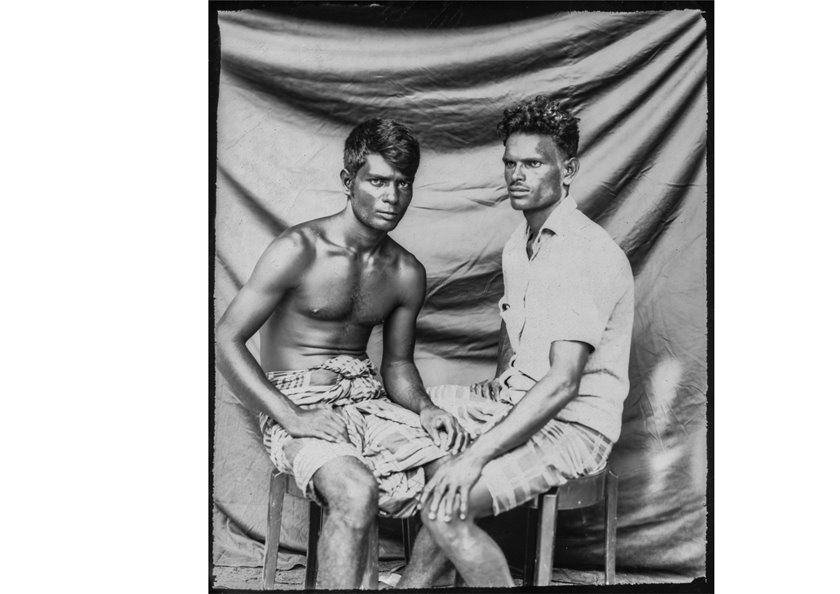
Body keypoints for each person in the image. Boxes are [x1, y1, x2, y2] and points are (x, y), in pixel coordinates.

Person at [214, 118, 468, 590]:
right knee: (355, 490)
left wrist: (426, 407)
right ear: (348, 181)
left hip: (368, 400)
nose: (392, 197)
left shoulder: (406, 271)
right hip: (300, 401)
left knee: (461, 475)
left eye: (403, 183)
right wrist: (291, 416)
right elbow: (225, 339)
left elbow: (397, 365)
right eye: (378, 181)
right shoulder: (300, 248)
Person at [397, 96, 635, 587]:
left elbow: (563, 382)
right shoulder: (519, 243)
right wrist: (502, 379)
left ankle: (417, 582)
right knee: (403, 414)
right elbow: (514, 324)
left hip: (573, 427)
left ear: (567, 170)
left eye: (533, 164)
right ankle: (420, 581)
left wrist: (474, 456)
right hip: (516, 400)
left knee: (447, 505)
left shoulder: (584, 252)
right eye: (510, 163)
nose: (517, 175)